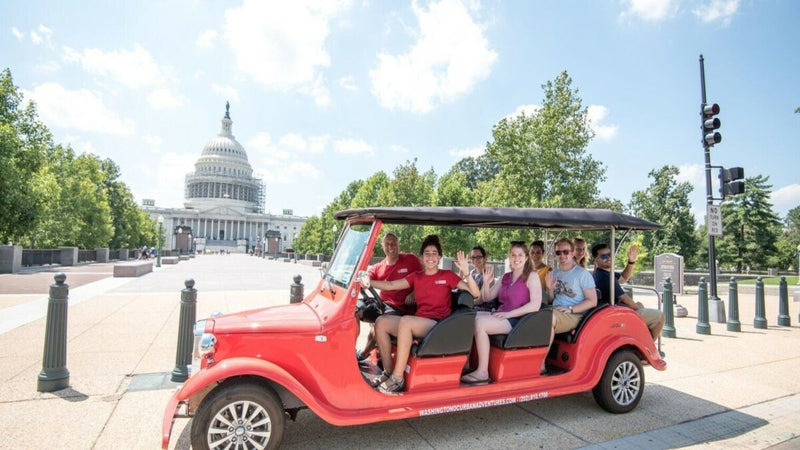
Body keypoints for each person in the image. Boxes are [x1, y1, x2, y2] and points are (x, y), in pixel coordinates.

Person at [361, 235, 479, 394]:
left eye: (434, 253)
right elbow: (390, 285)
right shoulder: (416, 276)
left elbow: (475, 293)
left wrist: (466, 272)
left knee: (406, 322)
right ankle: (388, 372)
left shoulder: (447, 276)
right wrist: (366, 281)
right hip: (420, 322)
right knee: (381, 322)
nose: (431, 257)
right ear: (422, 257)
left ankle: (398, 378)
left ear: (439, 257)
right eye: (427, 253)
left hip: (438, 325)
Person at [460, 241, 543, 384]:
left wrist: (510, 314)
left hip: (519, 320)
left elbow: (535, 305)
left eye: (520, 255)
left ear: (526, 257)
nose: (516, 258)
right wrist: (486, 282)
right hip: (502, 315)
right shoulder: (506, 277)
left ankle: (483, 372)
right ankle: (466, 363)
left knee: (480, 323)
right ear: (509, 257)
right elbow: (487, 297)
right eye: (513, 255)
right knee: (467, 317)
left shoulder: (532, 276)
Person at [356, 233, 422, 362]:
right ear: (383, 246)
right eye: (387, 244)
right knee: (354, 311)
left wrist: (414, 292)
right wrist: (365, 261)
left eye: (394, 244)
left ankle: (363, 355)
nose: (391, 247)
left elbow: (423, 277)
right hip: (382, 304)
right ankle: (348, 351)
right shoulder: (378, 267)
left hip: (400, 309)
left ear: (399, 245)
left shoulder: (410, 260)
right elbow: (364, 278)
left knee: (378, 326)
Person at [591, 243, 664, 340]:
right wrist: (637, 307)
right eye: (604, 256)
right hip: (614, 316)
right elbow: (624, 298)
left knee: (641, 308)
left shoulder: (604, 273)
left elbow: (624, 278)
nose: (608, 258)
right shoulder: (604, 277)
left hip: (613, 310)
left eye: (609, 255)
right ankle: (649, 347)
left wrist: (631, 262)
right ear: (597, 259)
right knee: (659, 317)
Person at [544, 238, 597, 347]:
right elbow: (550, 300)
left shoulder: (582, 274)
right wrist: (549, 289)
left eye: (565, 252)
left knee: (546, 318)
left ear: (572, 253)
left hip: (574, 314)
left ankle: (541, 362)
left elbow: (592, 301)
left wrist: (571, 309)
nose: (562, 255)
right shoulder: (554, 273)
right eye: (558, 252)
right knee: (533, 315)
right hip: (556, 310)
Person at [470, 245, 497, 311]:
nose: (475, 260)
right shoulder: (472, 273)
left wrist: (466, 304)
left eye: (479, 257)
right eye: (473, 257)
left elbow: (480, 300)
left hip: (484, 308)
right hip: (473, 305)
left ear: (484, 259)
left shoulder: (488, 274)